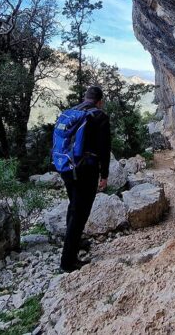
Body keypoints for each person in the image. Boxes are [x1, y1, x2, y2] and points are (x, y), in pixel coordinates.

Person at [60, 85, 111, 272]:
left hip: (66, 167)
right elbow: (105, 149)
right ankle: (67, 262)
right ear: (100, 101)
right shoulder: (100, 117)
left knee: (73, 205)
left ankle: (75, 242)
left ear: (85, 98)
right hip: (85, 170)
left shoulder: (72, 112)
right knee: (80, 212)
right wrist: (104, 175)